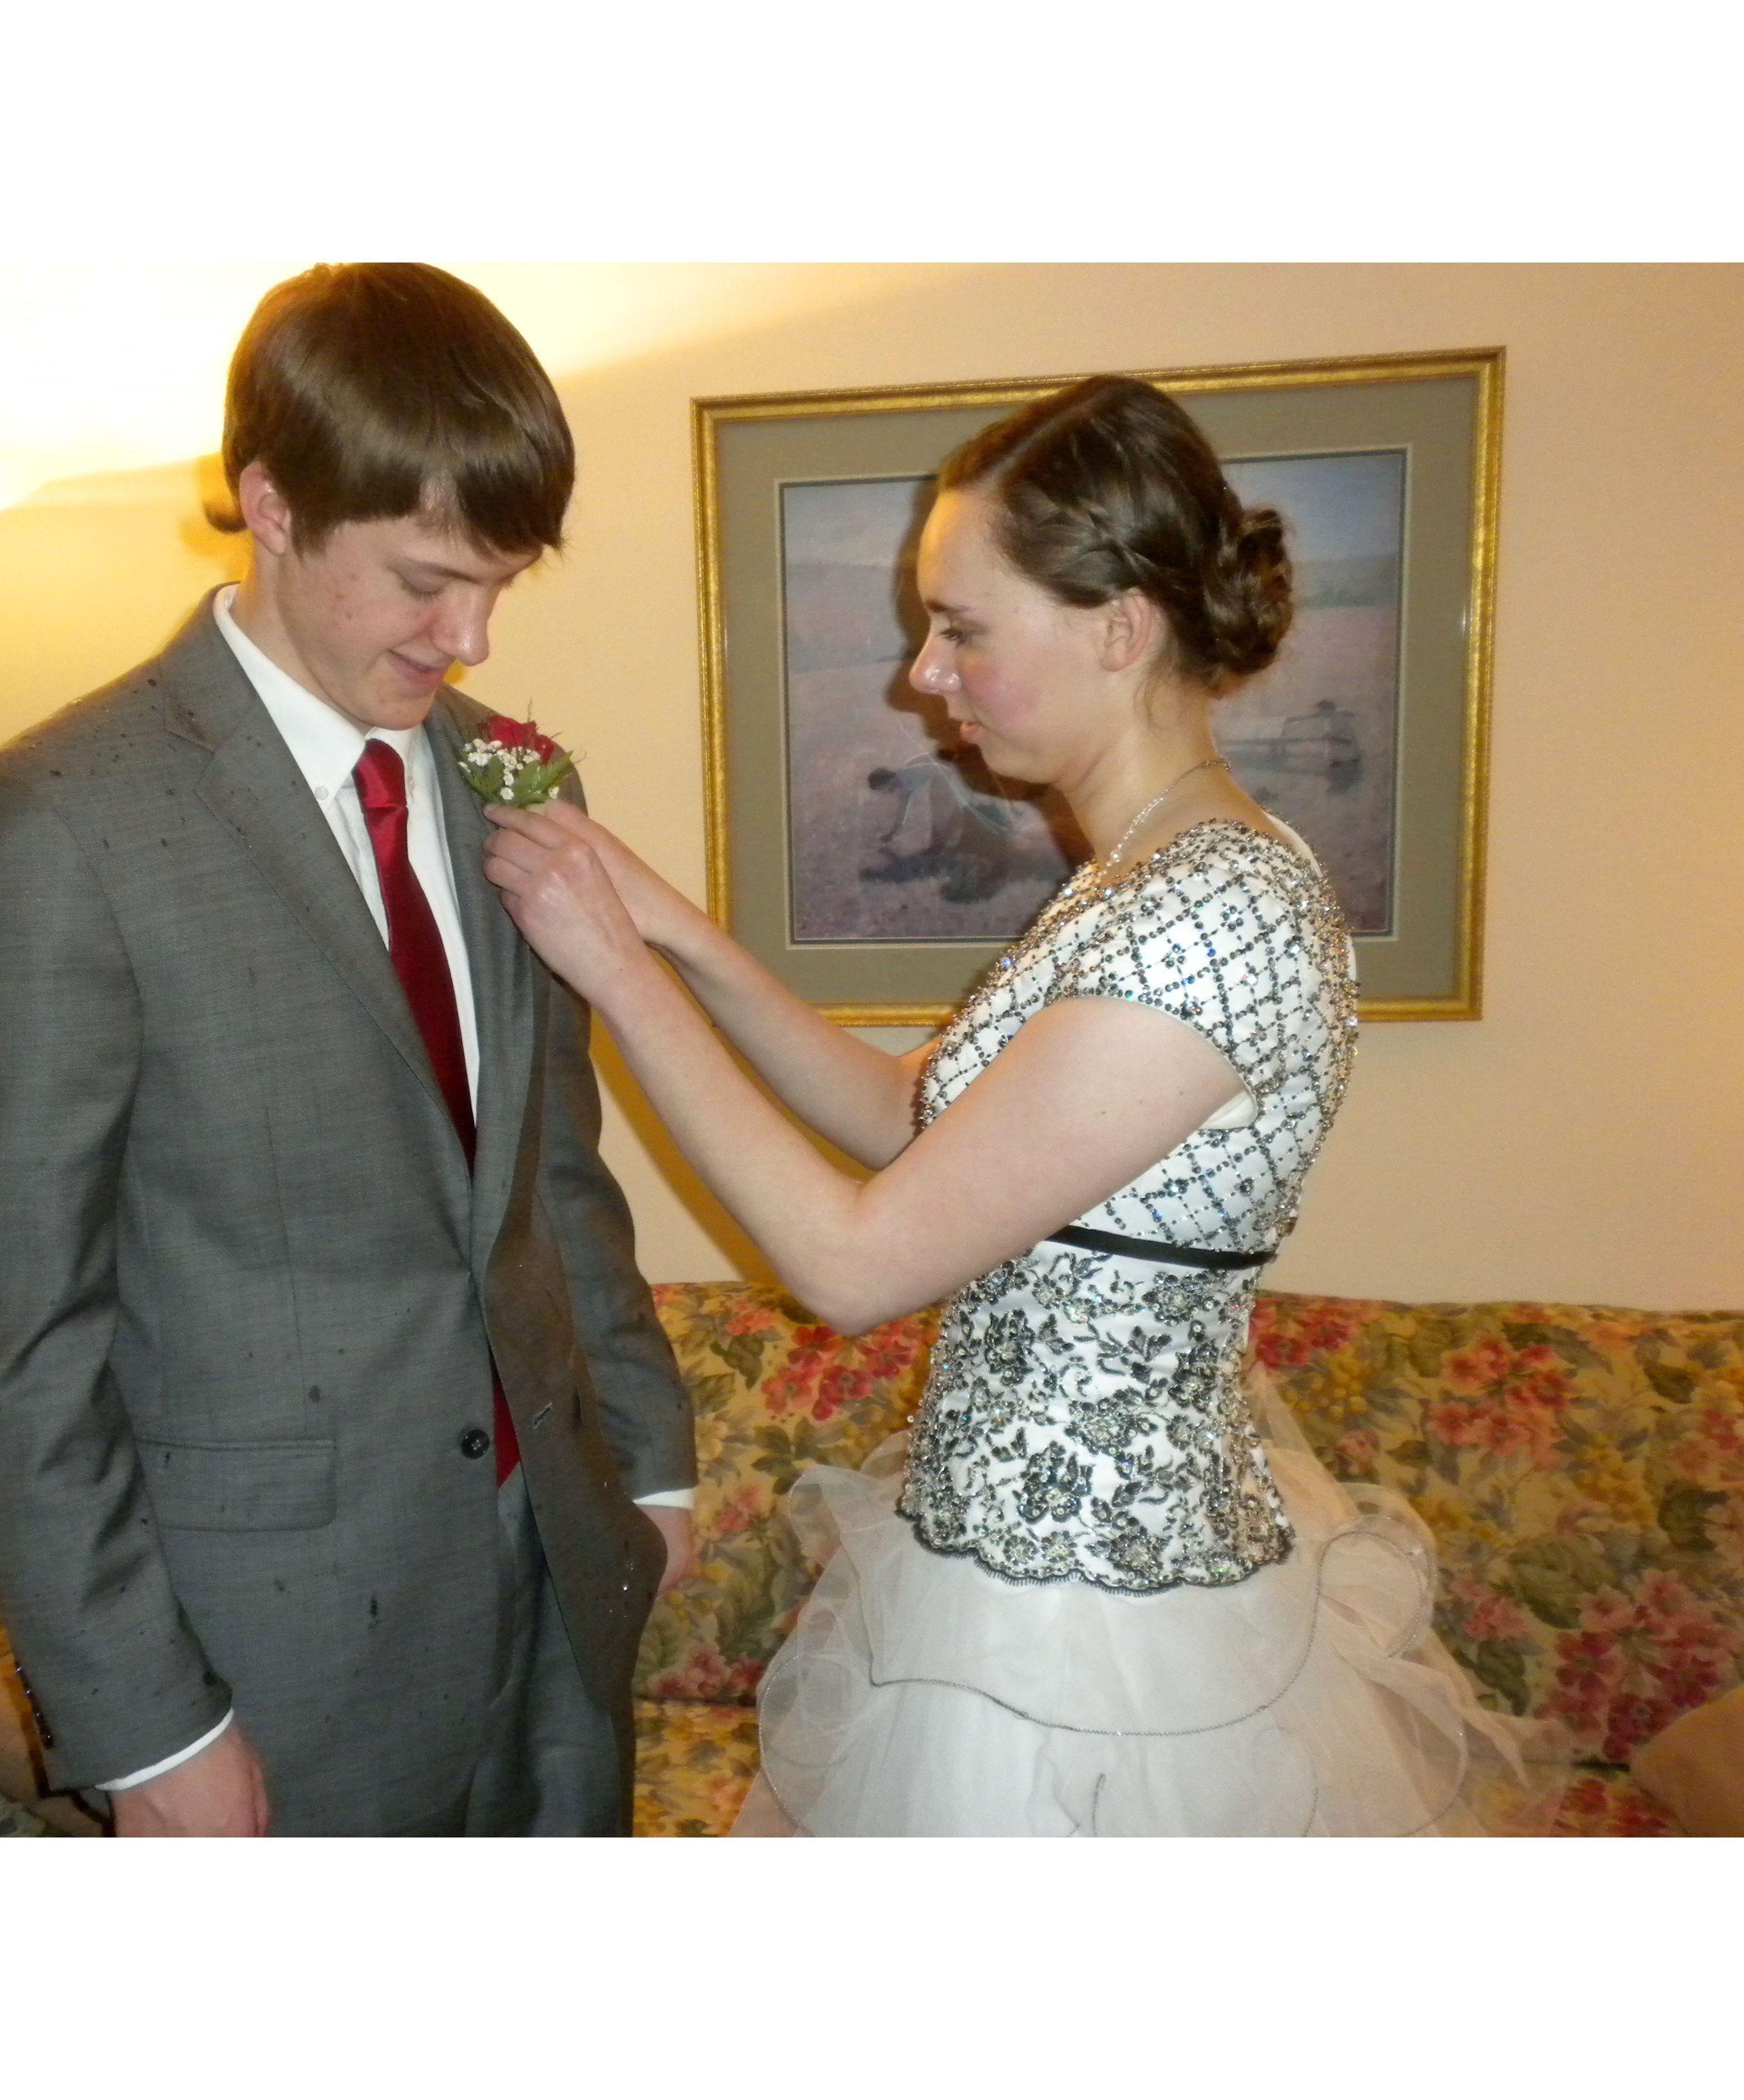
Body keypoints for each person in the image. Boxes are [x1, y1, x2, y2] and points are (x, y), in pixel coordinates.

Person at [482, 374, 1552, 1835]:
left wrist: (615, 976)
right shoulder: (1132, 887)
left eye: (964, 628)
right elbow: (903, 1116)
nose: (927, 674)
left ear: (1120, 628)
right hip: (1007, 1583)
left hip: (1093, 1641)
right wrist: (668, 924)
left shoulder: (1216, 911)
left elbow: (855, 1266)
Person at [0, 263, 695, 1836]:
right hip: (268, 1652)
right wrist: (143, 1732)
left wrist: (650, 1470)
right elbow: (17, 1341)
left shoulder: (510, 781)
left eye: (500, 582)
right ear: (271, 504)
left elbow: (550, 1164)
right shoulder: (58, 828)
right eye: (423, 581)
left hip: (555, 1577)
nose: (468, 637)